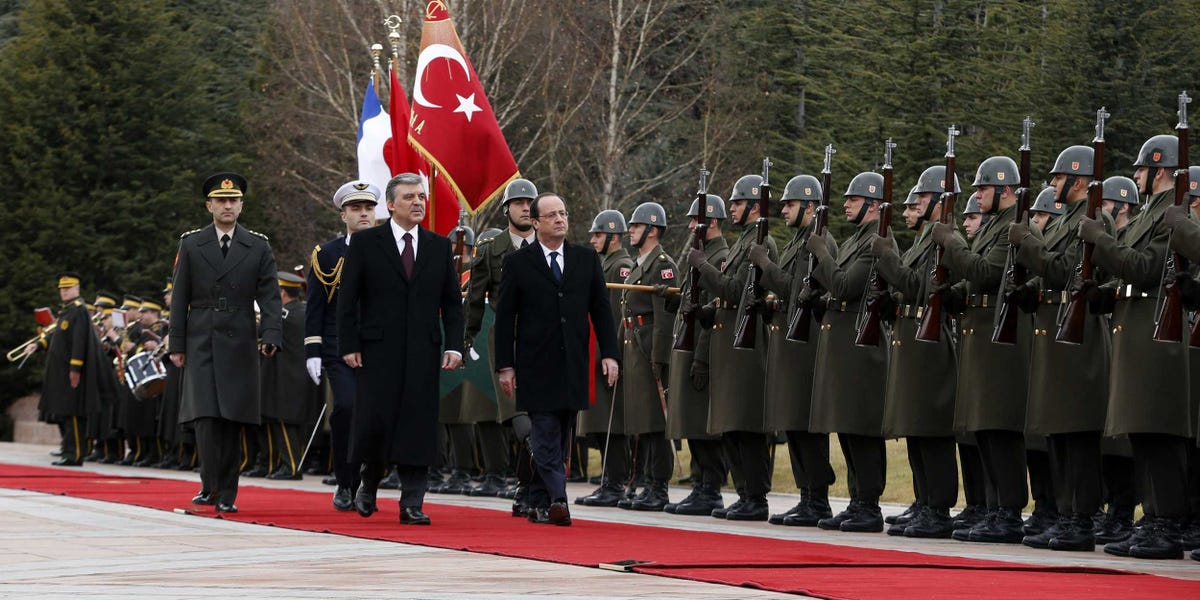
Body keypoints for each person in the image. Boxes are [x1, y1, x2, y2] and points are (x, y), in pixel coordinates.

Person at [1081, 134, 1190, 560]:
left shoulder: (1171, 215)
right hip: (1137, 329)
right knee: (1144, 435)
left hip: (1155, 335)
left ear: (1159, 170)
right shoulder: (1153, 214)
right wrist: (1104, 293)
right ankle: (1153, 519)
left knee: (1158, 434)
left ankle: (1166, 524)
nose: (1137, 177)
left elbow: (1145, 269)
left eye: (1141, 170)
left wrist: (1100, 240)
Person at [337, 172, 464, 526]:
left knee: (417, 425)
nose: (419, 202)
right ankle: (369, 482)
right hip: (377, 351)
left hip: (423, 351)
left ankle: (412, 502)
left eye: (421, 197)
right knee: (376, 424)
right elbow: (348, 300)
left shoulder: (439, 246)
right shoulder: (366, 243)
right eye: (409, 197)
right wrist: (348, 344)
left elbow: (452, 304)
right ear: (391, 204)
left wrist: (454, 344)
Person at [1008, 145, 1113, 552]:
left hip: (1078, 336)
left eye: (1058, 178)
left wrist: (1026, 243)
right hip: (1056, 331)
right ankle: (1067, 514)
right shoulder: (1065, 220)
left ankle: (1081, 519)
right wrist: (1028, 292)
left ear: (1080, 181)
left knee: (1077, 432)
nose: (1052, 184)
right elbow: (1049, 276)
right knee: (1059, 431)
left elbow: (1064, 270)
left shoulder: (1094, 218)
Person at [494, 192, 621, 527]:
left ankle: (536, 499)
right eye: (551, 215)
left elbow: (602, 310)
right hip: (535, 363)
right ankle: (557, 498)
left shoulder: (584, 258)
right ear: (535, 223)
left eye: (563, 213)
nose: (560, 219)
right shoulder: (519, 262)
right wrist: (505, 366)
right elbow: (506, 319)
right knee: (545, 430)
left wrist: (610, 354)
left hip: (573, 362)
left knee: (561, 431)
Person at [169, 172, 283, 514]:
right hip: (201, 335)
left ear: (241, 205)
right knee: (205, 416)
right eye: (221, 200)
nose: (228, 205)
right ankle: (209, 485)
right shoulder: (191, 243)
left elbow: (271, 297)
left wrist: (272, 335)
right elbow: (179, 296)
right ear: (209, 206)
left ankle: (228, 493)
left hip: (240, 336)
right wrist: (177, 343)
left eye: (233, 201)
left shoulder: (258, 245)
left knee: (233, 418)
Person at [931, 155, 1031, 544]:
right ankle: (993, 509)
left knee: (999, 430)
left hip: (1000, 340)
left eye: (983, 189)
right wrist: (954, 295)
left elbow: (988, 273)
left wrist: (952, 241)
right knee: (986, 431)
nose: (976, 196)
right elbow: (978, 281)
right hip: (982, 334)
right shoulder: (995, 227)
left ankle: (1008, 513)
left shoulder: (1012, 228)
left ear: (1005, 190)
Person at [871, 165, 960, 539]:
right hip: (914, 335)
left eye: (922, 198)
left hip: (932, 341)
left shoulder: (947, 238)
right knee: (916, 427)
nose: (917, 204)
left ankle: (938, 507)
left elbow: (921, 287)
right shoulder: (927, 238)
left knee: (931, 427)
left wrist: (887, 257)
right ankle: (924, 501)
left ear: (941, 201)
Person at [685, 174, 778, 521]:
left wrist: (703, 267)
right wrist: (706, 313)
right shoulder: (744, 242)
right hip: (729, 341)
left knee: (746, 425)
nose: (733, 209)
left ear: (754, 207)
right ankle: (744, 493)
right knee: (731, 425)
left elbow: (739, 291)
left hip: (746, 345)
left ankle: (756, 495)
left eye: (738, 204)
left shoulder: (761, 243)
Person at [805, 171, 893, 533]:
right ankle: (857, 500)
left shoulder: (877, 241)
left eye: (853, 200)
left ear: (872, 205)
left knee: (861, 428)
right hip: (847, 345)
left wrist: (821, 252)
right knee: (847, 428)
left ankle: (869, 505)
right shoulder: (860, 239)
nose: (845, 205)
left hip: (862, 348)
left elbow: (844, 284)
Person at [747, 174, 837, 527]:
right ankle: (806, 495)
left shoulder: (818, 240)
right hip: (791, 340)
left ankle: (818, 498)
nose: (783, 209)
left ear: (811, 206)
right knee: (794, 422)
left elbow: (795, 286)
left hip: (807, 343)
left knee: (804, 423)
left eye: (790, 203)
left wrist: (766, 267)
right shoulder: (800, 239)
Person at [306, 180, 380, 510]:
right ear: (343, 215)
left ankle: (369, 480)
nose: (363, 213)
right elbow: (316, 306)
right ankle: (346, 480)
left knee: (377, 415)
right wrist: (313, 350)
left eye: (368, 208)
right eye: (355, 208)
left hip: (379, 346)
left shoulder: (389, 249)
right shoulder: (328, 254)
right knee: (347, 407)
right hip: (339, 346)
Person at [465, 179, 538, 505]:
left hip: (547, 338)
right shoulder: (492, 249)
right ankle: (533, 484)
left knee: (543, 416)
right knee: (517, 413)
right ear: (506, 208)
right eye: (518, 202)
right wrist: (464, 340)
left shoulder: (551, 244)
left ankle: (527, 487)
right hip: (507, 337)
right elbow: (475, 298)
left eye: (529, 202)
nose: (524, 207)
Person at [666, 194, 730, 516]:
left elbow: (715, 310)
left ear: (713, 222)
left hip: (702, 348)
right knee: (692, 421)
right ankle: (701, 484)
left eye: (696, 220)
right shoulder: (700, 254)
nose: (691, 226)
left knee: (704, 425)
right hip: (689, 344)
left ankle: (711, 488)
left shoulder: (720, 257)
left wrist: (702, 357)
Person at [617, 202, 680, 511]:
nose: (630, 231)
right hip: (634, 346)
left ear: (652, 230)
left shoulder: (662, 264)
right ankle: (643, 480)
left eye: (636, 226)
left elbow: (665, 316)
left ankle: (659, 485)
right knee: (643, 420)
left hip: (649, 347)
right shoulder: (641, 263)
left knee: (656, 422)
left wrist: (659, 356)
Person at [575, 209, 635, 508]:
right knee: (596, 422)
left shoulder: (620, 266)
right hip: (595, 349)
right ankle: (609, 480)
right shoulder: (603, 264)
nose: (593, 239)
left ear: (613, 236)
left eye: (598, 234)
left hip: (606, 352)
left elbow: (614, 315)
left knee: (610, 421)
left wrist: (610, 354)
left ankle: (616, 481)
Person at [25, 272, 106, 466]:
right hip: (61, 371)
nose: (64, 292)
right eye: (62, 289)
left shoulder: (78, 310)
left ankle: (75, 454)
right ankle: (69, 451)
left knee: (74, 413)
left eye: (68, 289)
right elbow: (57, 337)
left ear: (77, 289)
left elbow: (79, 341)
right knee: (66, 413)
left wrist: (75, 369)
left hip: (71, 371)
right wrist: (39, 344)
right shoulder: (67, 310)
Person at [262, 271, 319, 480]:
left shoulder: (281, 316)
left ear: (282, 293)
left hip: (285, 378)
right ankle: (293, 464)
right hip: (305, 377)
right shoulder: (305, 311)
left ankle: (291, 467)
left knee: (284, 424)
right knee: (296, 427)